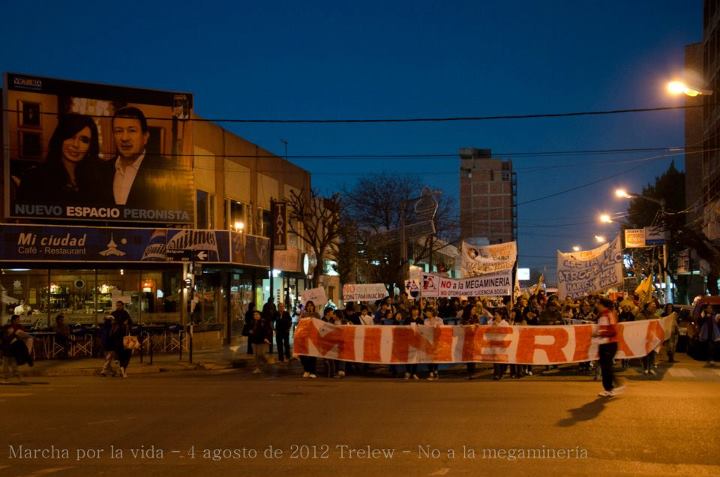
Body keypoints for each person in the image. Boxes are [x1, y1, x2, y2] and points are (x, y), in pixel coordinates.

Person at [95, 106, 192, 211]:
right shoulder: (101, 171)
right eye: (118, 131)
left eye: (132, 130)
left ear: (145, 137)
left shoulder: (167, 170)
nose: (124, 138)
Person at [15, 114, 101, 206]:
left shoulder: (97, 180)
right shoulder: (34, 177)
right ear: (60, 139)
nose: (76, 145)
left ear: (90, 147)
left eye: (84, 140)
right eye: (71, 136)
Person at [595, 298, 624, 397]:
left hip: (608, 344)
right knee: (606, 367)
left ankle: (610, 388)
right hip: (606, 344)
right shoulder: (606, 314)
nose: (597, 306)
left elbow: (612, 331)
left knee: (606, 367)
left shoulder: (607, 314)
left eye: (598, 304)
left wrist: (598, 333)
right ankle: (612, 387)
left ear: (603, 305)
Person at [1, 315, 33, 383]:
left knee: (14, 364)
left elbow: (23, 334)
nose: (18, 321)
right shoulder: (7, 327)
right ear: (13, 320)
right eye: (17, 319)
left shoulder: (19, 327)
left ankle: (19, 378)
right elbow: (4, 337)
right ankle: (6, 379)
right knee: (6, 365)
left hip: (14, 349)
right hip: (7, 348)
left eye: (19, 319)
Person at [110, 301, 133, 378]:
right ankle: (121, 369)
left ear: (123, 306)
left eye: (119, 305)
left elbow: (130, 322)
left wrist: (127, 323)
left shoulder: (125, 313)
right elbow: (110, 323)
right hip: (116, 337)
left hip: (124, 336)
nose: (118, 307)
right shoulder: (113, 313)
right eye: (117, 305)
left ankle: (122, 369)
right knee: (118, 353)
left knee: (125, 354)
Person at [298, 301, 321, 378]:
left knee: (312, 355)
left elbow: (319, 324)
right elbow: (300, 325)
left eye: (311, 305)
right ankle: (306, 370)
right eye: (308, 306)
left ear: (313, 307)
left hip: (314, 337)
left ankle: (312, 371)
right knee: (303, 355)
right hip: (305, 337)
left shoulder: (316, 315)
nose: (309, 307)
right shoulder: (304, 315)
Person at [637, 301, 659, 375]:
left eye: (654, 307)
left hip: (652, 337)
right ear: (647, 307)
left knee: (652, 353)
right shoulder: (640, 315)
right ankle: (645, 368)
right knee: (645, 353)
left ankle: (651, 368)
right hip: (643, 337)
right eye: (652, 306)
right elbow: (636, 325)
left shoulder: (655, 316)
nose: (653, 308)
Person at [248, 310, 273, 374]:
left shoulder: (263, 322)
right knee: (255, 355)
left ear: (260, 315)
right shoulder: (252, 322)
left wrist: (266, 338)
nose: (255, 316)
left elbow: (267, 330)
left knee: (261, 354)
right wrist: (250, 331)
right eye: (254, 315)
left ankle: (266, 361)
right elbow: (249, 329)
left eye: (257, 314)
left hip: (262, 341)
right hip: (254, 340)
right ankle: (257, 368)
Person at [424, 306, 444, 381]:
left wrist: (437, 327)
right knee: (429, 357)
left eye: (428, 311)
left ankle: (436, 372)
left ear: (432, 312)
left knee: (435, 357)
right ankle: (430, 373)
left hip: (436, 340)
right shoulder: (426, 320)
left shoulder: (439, 319)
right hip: (428, 340)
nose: (427, 313)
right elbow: (426, 329)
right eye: (426, 312)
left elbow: (442, 328)